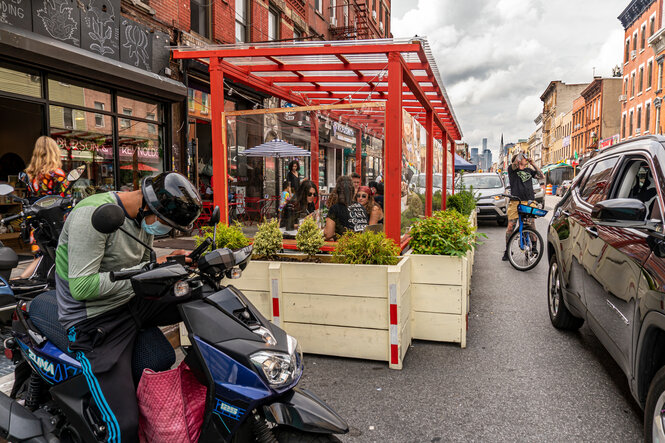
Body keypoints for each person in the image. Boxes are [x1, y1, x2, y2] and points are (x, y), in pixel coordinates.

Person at [55, 171, 202, 442]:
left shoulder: (141, 220)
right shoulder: (94, 216)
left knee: (198, 295)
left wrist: (171, 261)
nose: (166, 231)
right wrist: (149, 271)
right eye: (167, 224)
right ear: (148, 206)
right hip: (94, 320)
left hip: (130, 304)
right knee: (123, 427)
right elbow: (82, 287)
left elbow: (139, 265)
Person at [21, 136, 70, 278]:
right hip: (54, 223)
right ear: (53, 151)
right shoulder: (57, 174)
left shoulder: (29, 174)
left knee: (40, 255)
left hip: (36, 221)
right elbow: (64, 198)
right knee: (55, 255)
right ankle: (20, 281)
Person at [503, 152, 544, 261]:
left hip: (529, 201)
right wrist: (521, 154)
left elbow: (541, 176)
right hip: (515, 202)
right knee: (511, 227)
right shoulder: (512, 170)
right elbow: (516, 162)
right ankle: (507, 250)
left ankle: (534, 247)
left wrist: (533, 163)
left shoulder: (529, 171)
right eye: (523, 158)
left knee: (531, 225)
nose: (525, 159)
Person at [324, 176, 368, 240]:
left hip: (346, 246)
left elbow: (328, 234)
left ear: (337, 191)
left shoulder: (335, 208)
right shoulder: (361, 207)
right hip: (361, 245)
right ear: (352, 191)